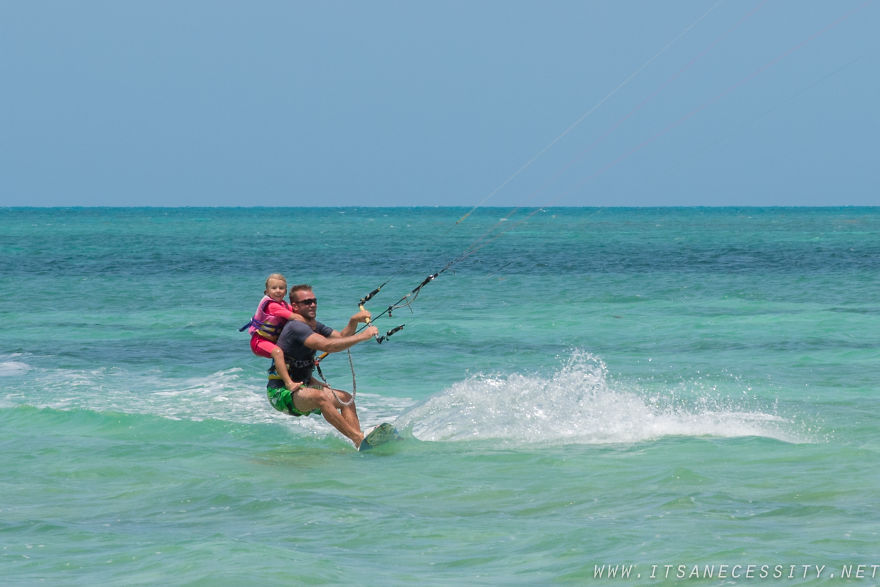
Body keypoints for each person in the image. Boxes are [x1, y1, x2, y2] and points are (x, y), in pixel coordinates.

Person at [266, 284, 379, 449]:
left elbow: (340, 337)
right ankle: (358, 438)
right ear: (295, 306)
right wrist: (363, 336)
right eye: (306, 302)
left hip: (304, 386)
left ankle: (360, 446)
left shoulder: (314, 325)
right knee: (321, 398)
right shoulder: (296, 327)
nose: (312, 304)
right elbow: (328, 346)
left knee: (346, 399)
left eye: (314, 301)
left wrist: (353, 321)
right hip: (281, 392)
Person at [241, 273, 303, 391]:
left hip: (272, 342)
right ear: (267, 292)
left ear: (285, 292)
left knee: (297, 353)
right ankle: (289, 383)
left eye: (281, 288)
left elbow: (297, 313)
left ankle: (303, 379)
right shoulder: (271, 306)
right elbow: (295, 317)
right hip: (259, 342)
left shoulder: (284, 305)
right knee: (278, 352)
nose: (278, 291)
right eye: (274, 288)